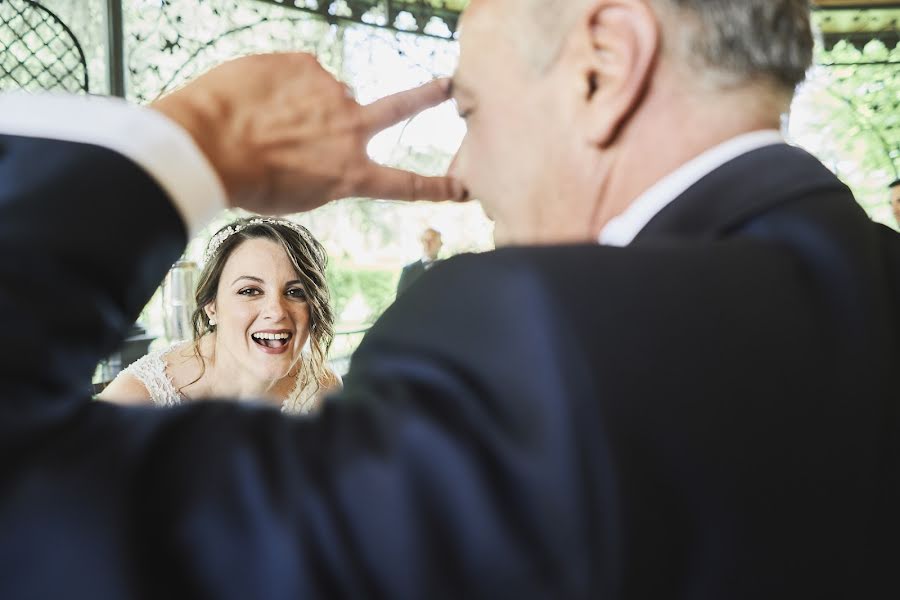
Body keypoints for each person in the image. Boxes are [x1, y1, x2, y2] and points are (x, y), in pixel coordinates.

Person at [0, 1, 898, 598]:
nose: (460, 173)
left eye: (469, 110)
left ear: (604, 67)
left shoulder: (540, 344)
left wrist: (198, 138)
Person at [99, 217, 339, 414]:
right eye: (250, 291)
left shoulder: (322, 388)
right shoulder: (137, 398)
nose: (276, 311)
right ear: (211, 306)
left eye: (296, 292)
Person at [396, 227, 442, 295]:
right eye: (425, 240)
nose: (427, 244)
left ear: (440, 244)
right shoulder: (408, 271)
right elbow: (400, 302)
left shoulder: (449, 269)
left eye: (432, 240)